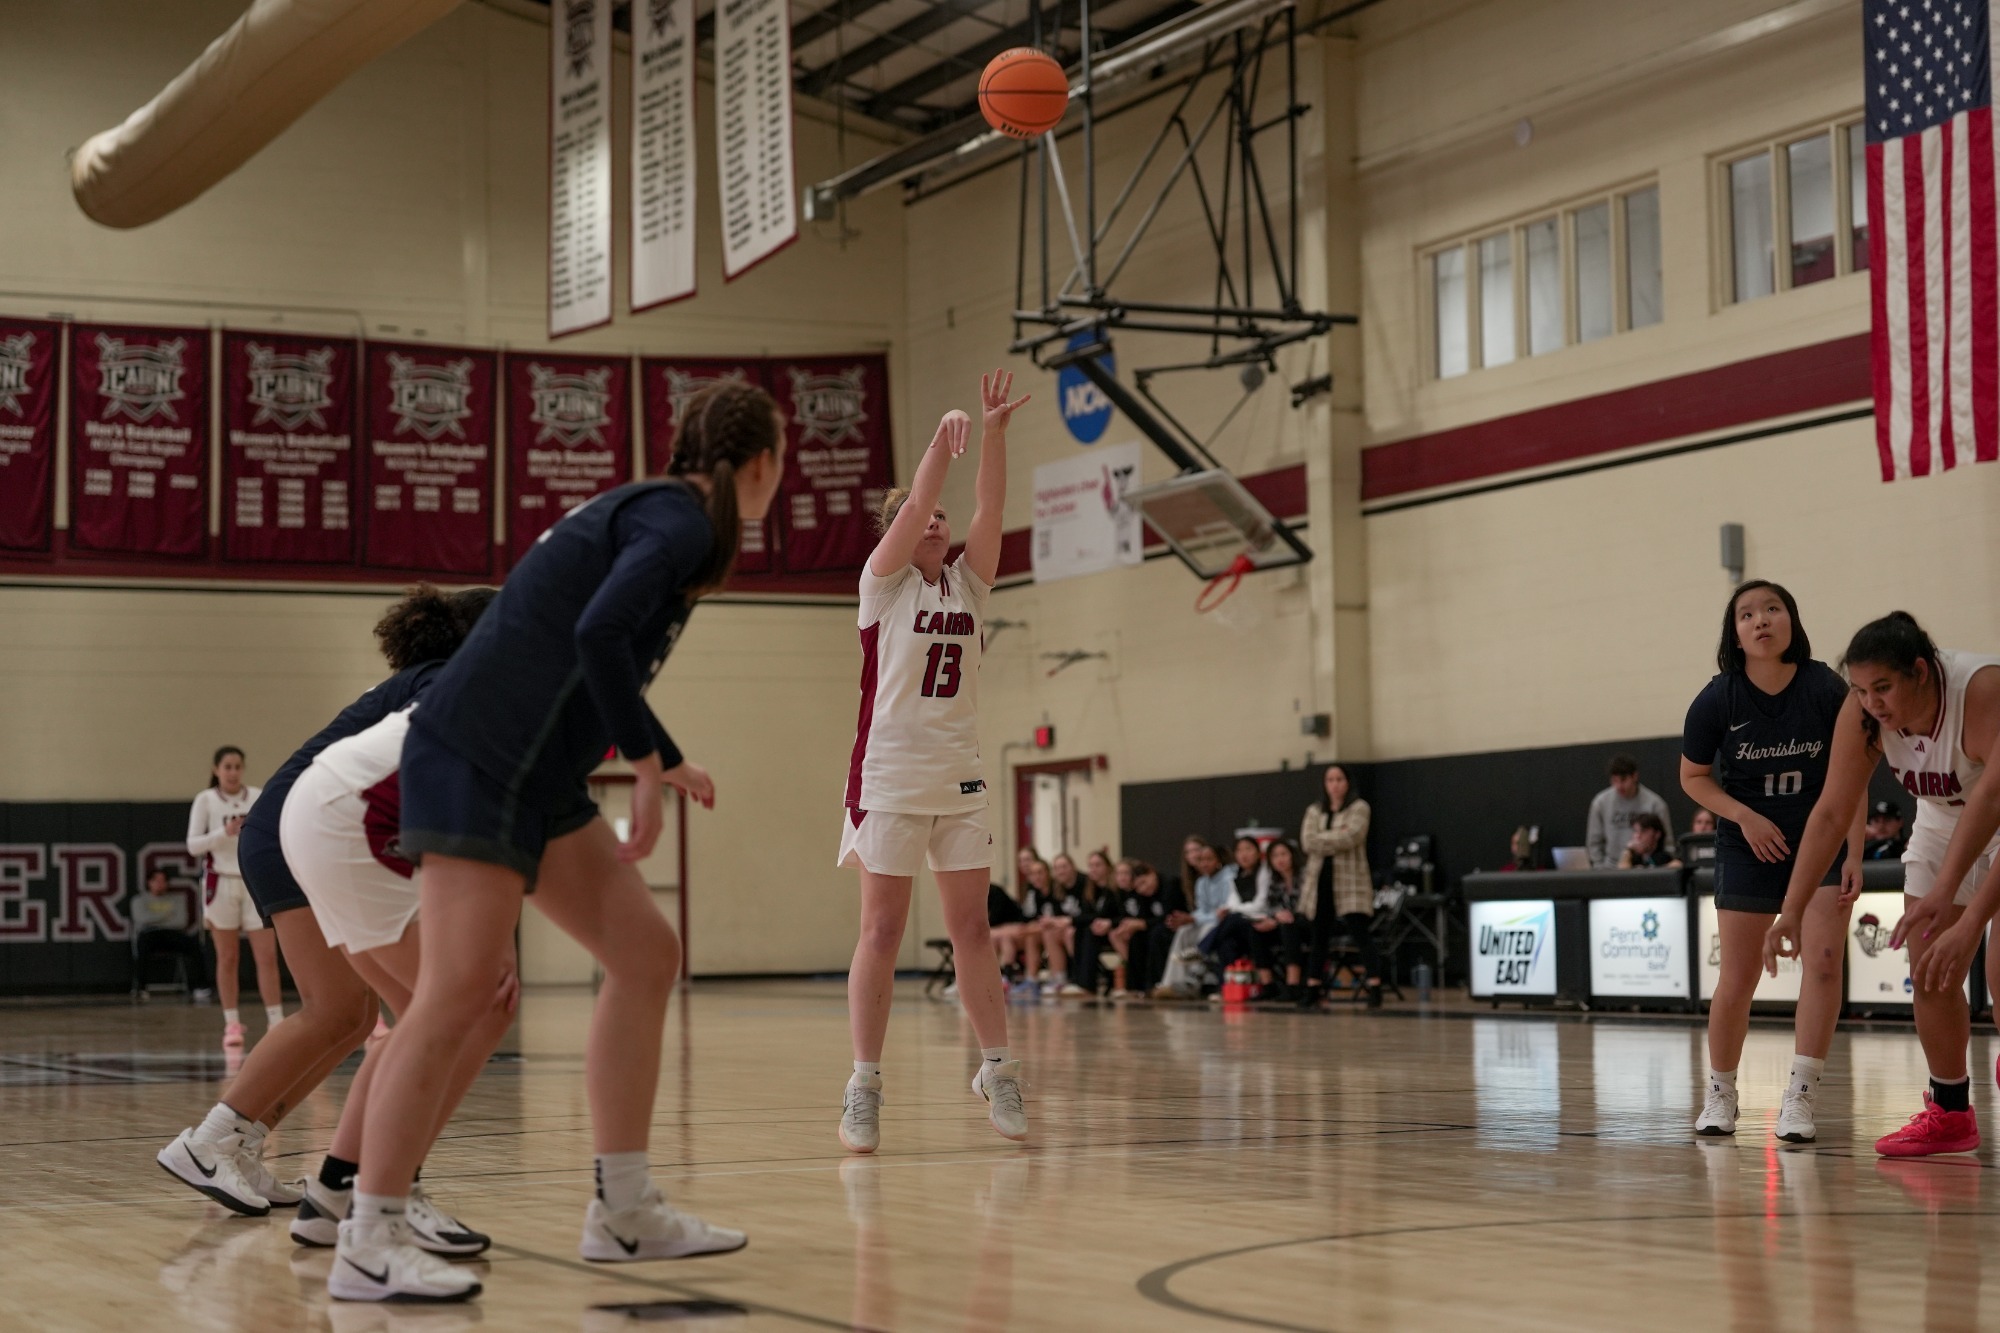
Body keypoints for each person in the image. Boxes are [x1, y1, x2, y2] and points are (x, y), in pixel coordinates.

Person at [337, 380, 783, 1302]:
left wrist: (672, 753)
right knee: (456, 990)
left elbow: (587, 649)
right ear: (758, 464)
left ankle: (623, 1212)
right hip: (479, 756)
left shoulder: (657, 511)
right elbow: (600, 629)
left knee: (646, 951)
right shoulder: (685, 521)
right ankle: (369, 1235)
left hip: (532, 770)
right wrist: (650, 762)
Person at [156, 586, 497, 1233]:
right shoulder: (446, 682)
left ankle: (239, 1140)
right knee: (352, 1008)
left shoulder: (438, 682)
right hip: (296, 832)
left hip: (295, 830)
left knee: (352, 1011)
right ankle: (214, 1144)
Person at [839, 371, 1030, 1159]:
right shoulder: (881, 586)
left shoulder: (967, 584)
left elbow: (988, 511)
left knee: (973, 929)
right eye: (927, 515)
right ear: (900, 529)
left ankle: (999, 1067)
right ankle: (864, 1084)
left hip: (959, 776)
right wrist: (936, 446)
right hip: (887, 776)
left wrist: (991, 433)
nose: (940, 520)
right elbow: (920, 502)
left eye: (942, 518)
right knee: (880, 930)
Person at [1766, 612, 2000, 1158]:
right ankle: (1950, 1112)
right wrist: (1793, 909)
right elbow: (1829, 813)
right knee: (1930, 966)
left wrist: (1965, 913)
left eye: (1884, 687)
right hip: (1944, 819)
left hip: (1995, 812)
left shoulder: (1981, 690)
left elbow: (1990, 803)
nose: (1872, 701)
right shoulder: (1865, 713)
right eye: (1862, 689)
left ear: (1922, 672)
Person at [1680, 580, 1859, 1143]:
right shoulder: (1717, 698)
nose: (1761, 620)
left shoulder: (1825, 688)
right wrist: (1745, 817)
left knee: (1825, 963)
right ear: (1734, 633)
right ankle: (1721, 1092)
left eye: (1773, 609)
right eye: (1747, 614)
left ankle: (1800, 1097)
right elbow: (1693, 778)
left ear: (1792, 620)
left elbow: (1852, 773)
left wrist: (1854, 849)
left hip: (1820, 840)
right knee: (1739, 975)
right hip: (1748, 843)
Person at [188, 746, 283, 1049]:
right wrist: (224, 833)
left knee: (266, 956)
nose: (232, 772)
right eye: (227, 767)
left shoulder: (256, 795)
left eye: (237, 766)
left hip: (252, 880)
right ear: (216, 769)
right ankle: (231, 1023)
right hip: (221, 883)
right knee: (227, 957)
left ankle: (276, 1021)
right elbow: (193, 845)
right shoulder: (205, 800)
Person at [1300, 764, 1381, 1009]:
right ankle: (1313, 986)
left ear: (1348, 782)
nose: (1334, 784)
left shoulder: (1359, 808)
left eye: (1339, 779)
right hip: (1320, 879)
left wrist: (1323, 838)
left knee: (1360, 933)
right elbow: (1307, 842)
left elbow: (1352, 837)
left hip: (1350, 879)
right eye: (1330, 780)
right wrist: (1337, 835)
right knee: (1319, 935)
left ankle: (1375, 986)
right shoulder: (1315, 810)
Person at [1154, 838, 1233, 999]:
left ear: (1219, 861)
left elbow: (1225, 911)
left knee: (1208, 929)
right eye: (1200, 860)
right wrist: (1190, 918)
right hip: (1208, 920)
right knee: (1184, 931)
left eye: (1208, 859)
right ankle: (1171, 982)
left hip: (1223, 923)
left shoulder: (1229, 877)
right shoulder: (1202, 882)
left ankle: (1193, 982)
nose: (1204, 864)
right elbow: (1202, 910)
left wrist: (1196, 919)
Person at [132, 867, 210, 995]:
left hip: (172, 934)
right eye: (156, 880)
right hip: (150, 934)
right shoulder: (139, 900)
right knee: (142, 945)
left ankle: (200, 987)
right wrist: (167, 915)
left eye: (163, 881)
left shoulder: (177, 899)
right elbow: (141, 919)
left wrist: (155, 918)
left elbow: (181, 921)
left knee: (195, 946)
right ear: (149, 882)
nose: (159, 884)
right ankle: (141, 988)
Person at [1586, 754, 1674, 867]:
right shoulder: (1600, 803)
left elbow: (1667, 842)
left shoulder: (1655, 804)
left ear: (1635, 776)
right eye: (1614, 781)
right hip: (1610, 866)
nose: (1619, 786)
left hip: (1646, 867)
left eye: (1623, 780)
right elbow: (1594, 842)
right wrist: (1599, 868)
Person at [1617, 813, 1682, 869]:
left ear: (1657, 834)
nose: (1637, 836)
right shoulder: (1634, 858)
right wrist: (1628, 851)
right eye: (1635, 831)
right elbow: (1622, 878)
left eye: (1643, 831)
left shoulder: (1662, 858)